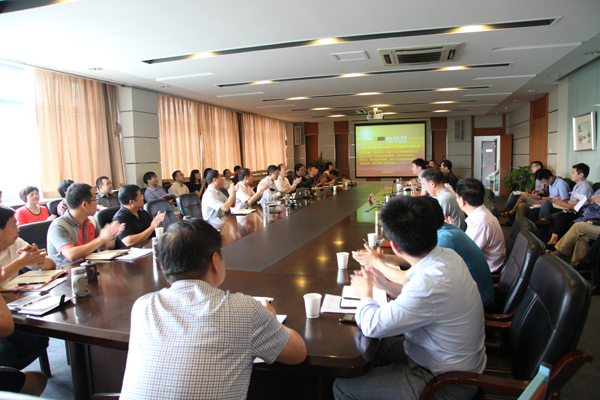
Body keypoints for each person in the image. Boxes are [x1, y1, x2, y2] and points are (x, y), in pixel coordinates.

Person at [119, 219, 306, 400]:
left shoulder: (142, 307)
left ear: (162, 264)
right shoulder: (244, 310)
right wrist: (270, 319)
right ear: (215, 261)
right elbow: (297, 354)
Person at [334, 196, 485, 400]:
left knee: (342, 387)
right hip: (440, 357)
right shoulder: (448, 256)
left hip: (445, 382)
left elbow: (372, 325)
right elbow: (426, 301)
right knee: (369, 352)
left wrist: (365, 294)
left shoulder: (428, 285)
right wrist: (386, 285)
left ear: (395, 246)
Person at [0, 205, 53, 380]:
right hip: (3, 315)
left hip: (13, 305)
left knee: (38, 339)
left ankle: (10, 377)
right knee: (5, 350)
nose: (18, 229)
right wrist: (20, 262)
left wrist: (38, 259)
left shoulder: (15, 242)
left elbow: (50, 265)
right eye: (13, 225)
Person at [47, 183, 125, 266]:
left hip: (89, 267)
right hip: (68, 271)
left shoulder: (90, 221)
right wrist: (101, 238)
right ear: (84, 204)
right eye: (95, 200)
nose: (97, 204)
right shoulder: (58, 226)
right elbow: (71, 255)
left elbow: (108, 246)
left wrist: (110, 236)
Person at [456, 178, 506, 273]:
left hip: (484, 271)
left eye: (456, 197)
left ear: (462, 200)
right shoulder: (482, 214)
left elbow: (465, 254)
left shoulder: (480, 223)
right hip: (482, 263)